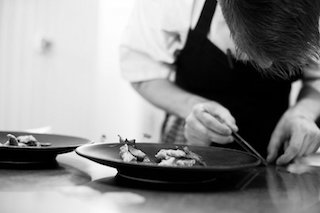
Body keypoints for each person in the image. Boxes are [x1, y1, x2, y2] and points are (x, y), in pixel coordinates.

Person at [119, 0, 320, 165]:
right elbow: (142, 70)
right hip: (190, 143)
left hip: (278, 153)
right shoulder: (174, 4)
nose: (266, 65)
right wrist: (192, 107)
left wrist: (304, 112)